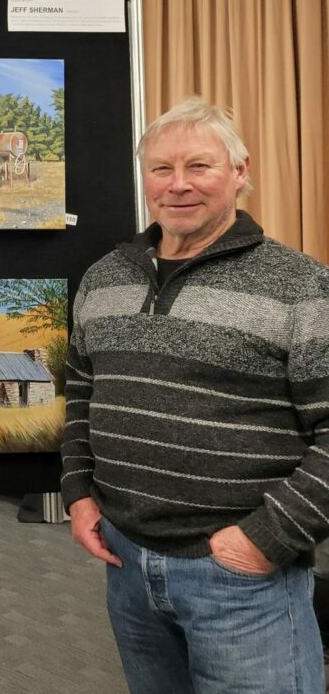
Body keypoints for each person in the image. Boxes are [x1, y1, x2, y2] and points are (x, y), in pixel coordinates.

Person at [61, 98, 329, 694]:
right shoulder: (105, 278)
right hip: (126, 562)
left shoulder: (300, 286)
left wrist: (267, 541)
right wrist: (79, 493)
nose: (177, 185)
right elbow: (80, 392)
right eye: (161, 169)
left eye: (199, 167)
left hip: (240, 576)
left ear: (239, 171)